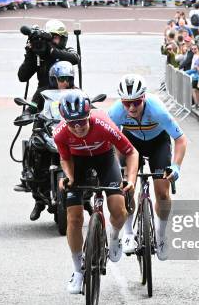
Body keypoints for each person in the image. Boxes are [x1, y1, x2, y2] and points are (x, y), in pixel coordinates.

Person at [53, 90, 138, 294]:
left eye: (82, 121)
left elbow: (131, 151)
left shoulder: (103, 124)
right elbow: (65, 158)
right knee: (73, 219)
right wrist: (69, 177)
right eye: (72, 123)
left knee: (118, 211)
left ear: (89, 115)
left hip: (105, 159)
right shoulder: (60, 133)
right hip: (78, 162)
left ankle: (116, 236)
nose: (78, 127)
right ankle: (77, 270)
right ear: (65, 121)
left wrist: (131, 180)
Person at [108, 74, 187, 260]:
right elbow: (108, 141)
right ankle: (128, 234)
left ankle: (160, 235)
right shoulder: (116, 112)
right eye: (127, 103)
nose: (132, 107)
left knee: (162, 192)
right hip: (130, 142)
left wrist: (176, 166)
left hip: (158, 142)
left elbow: (180, 139)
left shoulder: (157, 109)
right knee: (127, 185)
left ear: (144, 97)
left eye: (136, 102)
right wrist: (114, 165)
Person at [15, 60, 78, 218]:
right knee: (33, 144)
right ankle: (38, 200)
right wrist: (27, 114)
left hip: (71, 132)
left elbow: (86, 107)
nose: (65, 82)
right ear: (53, 79)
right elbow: (31, 107)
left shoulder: (77, 92)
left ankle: (88, 196)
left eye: (67, 79)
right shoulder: (42, 92)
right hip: (47, 129)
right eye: (61, 79)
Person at [18, 20, 80, 112]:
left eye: (54, 38)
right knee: (40, 94)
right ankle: (31, 109)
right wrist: (30, 54)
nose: (50, 42)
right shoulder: (40, 55)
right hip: (42, 103)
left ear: (62, 39)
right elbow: (22, 77)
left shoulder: (67, 50)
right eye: (49, 39)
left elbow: (75, 59)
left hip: (67, 98)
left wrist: (52, 50)